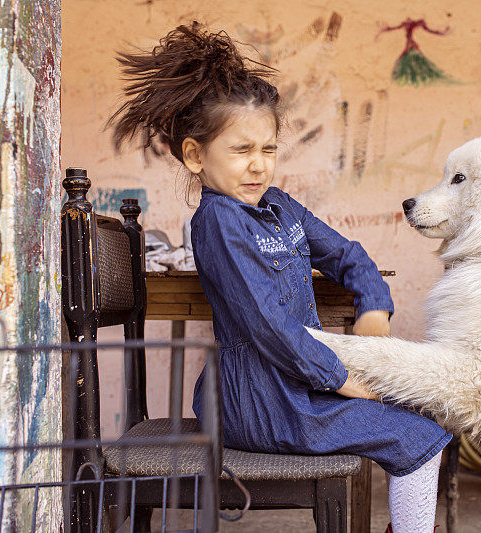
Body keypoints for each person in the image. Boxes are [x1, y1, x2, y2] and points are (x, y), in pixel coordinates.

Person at [108, 21, 452, 532]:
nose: (258, 167)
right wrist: (342, 379)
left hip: (296, 386)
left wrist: (374, 309)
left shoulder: (280, 207)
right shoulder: (218, 224)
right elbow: (267, 325)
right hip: (257, 401)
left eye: (267, 150)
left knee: (422, 415)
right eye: (241, 151)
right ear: (195, 155)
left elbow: (348, 254)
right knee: (418, 439)